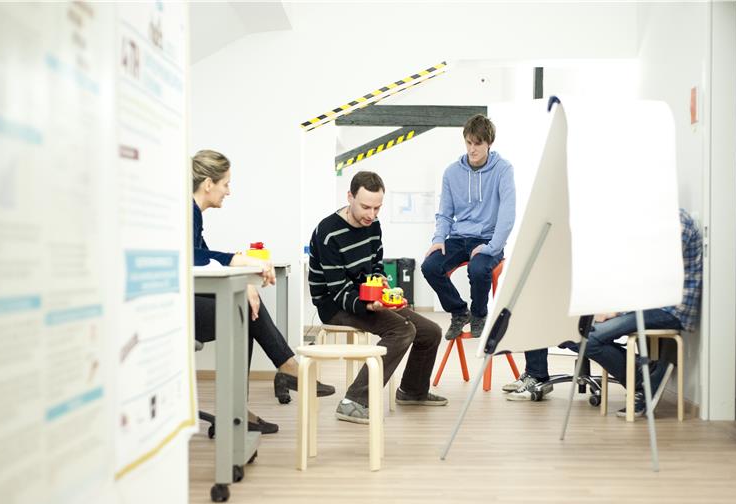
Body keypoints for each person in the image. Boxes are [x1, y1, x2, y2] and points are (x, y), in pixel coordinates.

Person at [504, 208, 702, 418]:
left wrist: (615, 310)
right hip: (647, 305)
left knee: (586, 338)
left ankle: (644, 380)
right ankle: (646, 374)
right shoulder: (650, 223)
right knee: (568, 329)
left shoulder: (676, 223)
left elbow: (656, 281)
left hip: (670, 309)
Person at [192, 150, 335, 434]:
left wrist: (243, 280)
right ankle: (285, 369)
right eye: (225, 184)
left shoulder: (192, 214)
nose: (228, 192)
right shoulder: (187, 211)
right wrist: (240, 263)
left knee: (245, 310)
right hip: (174, 311)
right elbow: (193, 257)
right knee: (243, 309)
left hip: (186, 302)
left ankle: (240, 408)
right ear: (208, 184)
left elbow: (206, 260)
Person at [308, 171, 447, 424]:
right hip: (334, 304)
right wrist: (369, 305)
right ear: (350, 197)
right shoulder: (327, 232)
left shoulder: (373, 225)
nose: (371, 215)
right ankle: (354, 401)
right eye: (365, 207)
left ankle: (412, 391)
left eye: (377, 208)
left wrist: (381, 284)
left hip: (366, 296)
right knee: (402, 330)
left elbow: (376, 266)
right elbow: (338, 291)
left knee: (431, 331)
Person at [422, 114, 516, 341]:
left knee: (478, 269)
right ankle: (459, 312)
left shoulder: (503, 169)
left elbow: (507, 215)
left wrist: (492, 247)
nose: (472, 149)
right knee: (429, 267)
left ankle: (479, 315)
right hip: (458, 238)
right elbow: (445, 213)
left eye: (478, 144)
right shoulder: (451, 172)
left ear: (489, 143)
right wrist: (438, 239)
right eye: (468, 143)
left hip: (487, 239)